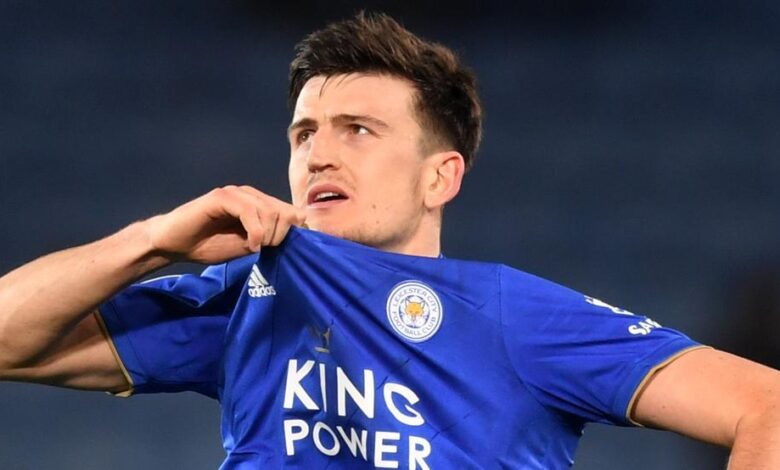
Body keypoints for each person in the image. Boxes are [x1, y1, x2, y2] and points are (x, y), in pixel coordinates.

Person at [0, 12, 778, 469]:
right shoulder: (252, 299)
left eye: (358, 130)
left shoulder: (514, 316)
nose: (319, 155)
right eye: (304, 133)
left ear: (440, 178)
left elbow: (765, 408)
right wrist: (151, 243)